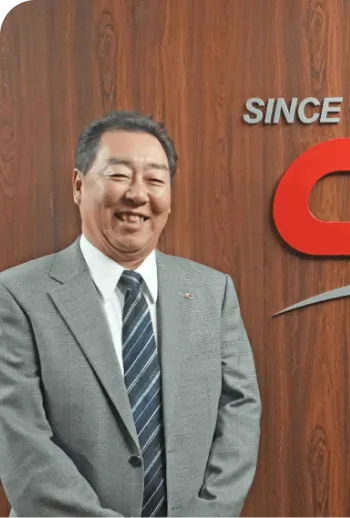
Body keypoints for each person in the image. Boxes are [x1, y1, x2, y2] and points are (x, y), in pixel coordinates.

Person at [0, 111, 262, 518]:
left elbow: (239, 413)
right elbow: (21, 444)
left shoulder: (213, 291)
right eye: (119, 175)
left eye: (155, 180)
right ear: (78, 185)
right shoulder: (16, 295)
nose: (138, 195)